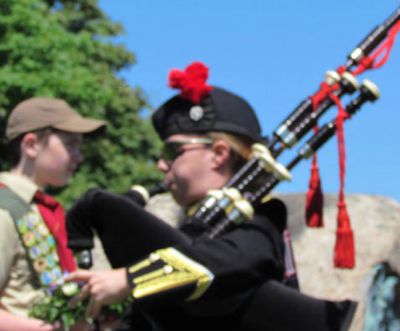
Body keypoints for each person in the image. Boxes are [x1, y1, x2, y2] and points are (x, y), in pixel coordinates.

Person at [65, 62, 355, 330]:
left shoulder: (261, 218)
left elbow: (225, 262)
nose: (161, 164)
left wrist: (130, 279)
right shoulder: (191, 233)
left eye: (172, 152)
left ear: (218, 154)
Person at [0, 97, 106, 331]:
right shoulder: (4, 207)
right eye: (70, 145)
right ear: (31, 145)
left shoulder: (42, 209)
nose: (79, 156)